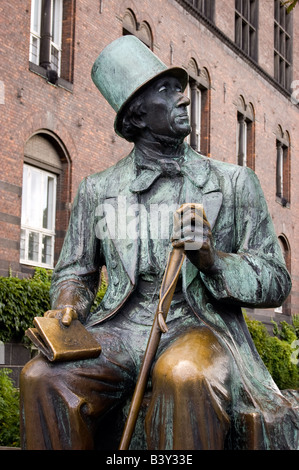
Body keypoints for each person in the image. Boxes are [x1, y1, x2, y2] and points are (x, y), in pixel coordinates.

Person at [20, 36, 299, 450]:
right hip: (118, 331)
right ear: (137, 114)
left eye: (181, 90)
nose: (184, 99)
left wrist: (213, 261)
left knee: (184, 373)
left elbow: (276, 279)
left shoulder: (235, 183)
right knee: (41, 378)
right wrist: (69, 304)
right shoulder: (98, 190)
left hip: (199, 326)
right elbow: (74, 272)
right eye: (166, 91)